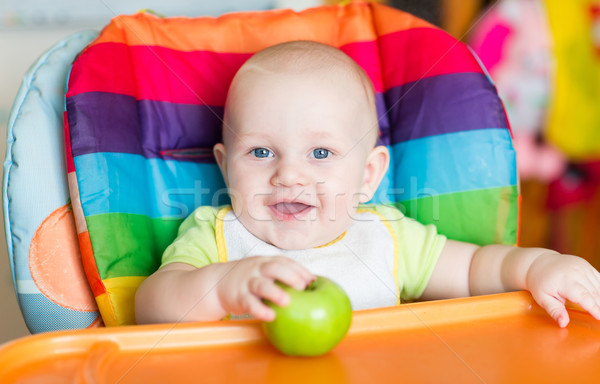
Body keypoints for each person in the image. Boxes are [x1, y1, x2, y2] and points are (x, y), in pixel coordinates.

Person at [135, 40, 600, 328]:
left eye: (321, 153)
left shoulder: (388, 239)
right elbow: (151, 305)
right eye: (260, 152)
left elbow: (478, 267)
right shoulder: (216, 236)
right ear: (224, 165)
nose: (289, 175)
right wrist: (220, 288)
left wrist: (538, 266)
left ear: (368, 175)